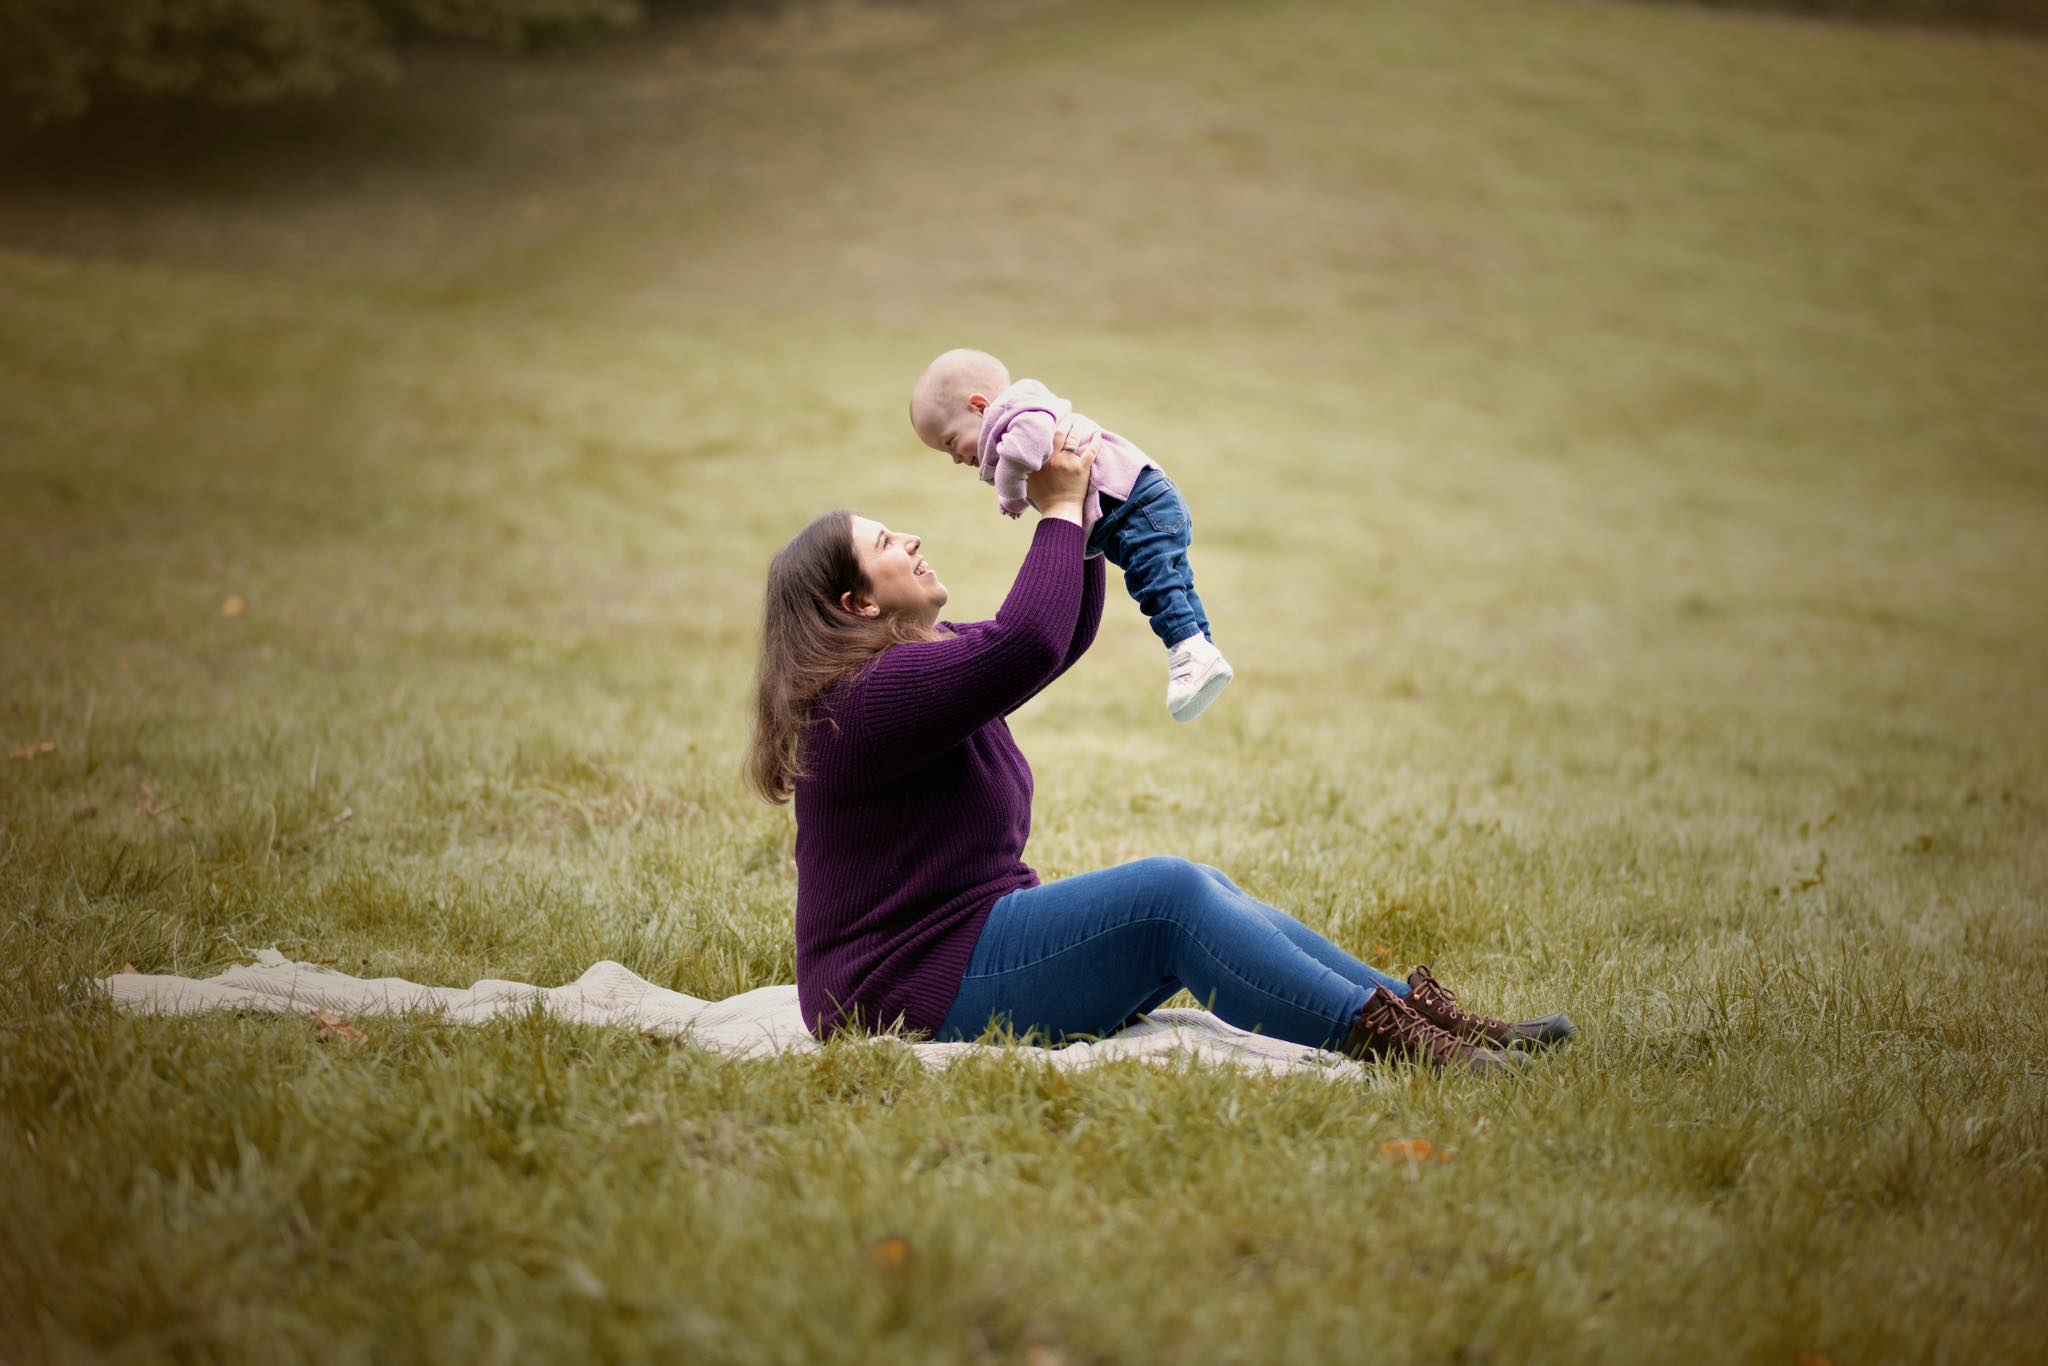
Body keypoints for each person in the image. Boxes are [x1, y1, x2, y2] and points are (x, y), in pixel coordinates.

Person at [748, 430, 1573, 1074]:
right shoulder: (870, 697)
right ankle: (1403, 1045)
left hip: (957, 945)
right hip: (899, 990)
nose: (914, 539)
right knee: (1169, 895)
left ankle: (1422, 1013)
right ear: (855, 604)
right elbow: (1027, 641)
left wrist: (1095, 521)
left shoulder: (909, 670)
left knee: (1200, 886)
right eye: (888, 542)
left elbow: (1054, 639)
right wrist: (1058, 510)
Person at [909, 347, 1232, 723]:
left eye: (950, 442)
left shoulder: (1018, 414)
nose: (956, 459)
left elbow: (1026, 447)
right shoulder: (1021, 410)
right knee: (1176, 583)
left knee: (1156, 584)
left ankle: (1186, 654)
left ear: (980, 406)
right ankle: (1201, 652)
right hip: (1142, 503)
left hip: (1136, 505)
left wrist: (1010, 491)